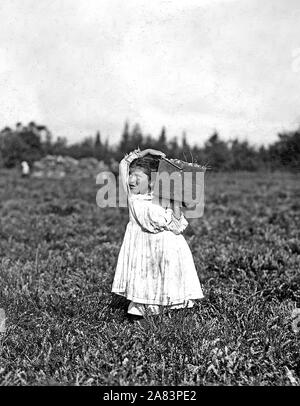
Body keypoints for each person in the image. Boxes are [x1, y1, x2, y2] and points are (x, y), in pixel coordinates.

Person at [111, 148, 204, 320]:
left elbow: (177, 227)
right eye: (131, 175)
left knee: (168, 280)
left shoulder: (164, 198)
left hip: (168, 249)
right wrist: (144, 152)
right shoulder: (133, 198)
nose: (132, 180)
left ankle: (172, 312)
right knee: (145, 281)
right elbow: (124, 164)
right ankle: (142, 315)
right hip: (144, 249)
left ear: (152, 181)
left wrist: (176, 200)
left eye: (138, 177)